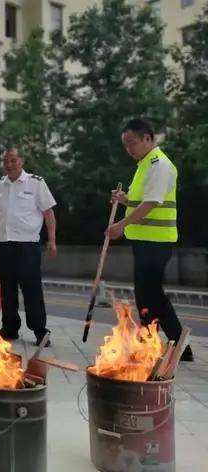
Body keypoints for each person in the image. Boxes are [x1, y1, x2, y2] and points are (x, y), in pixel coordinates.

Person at [106, 118, 193, 362]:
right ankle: (150, 343)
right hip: (145, 242)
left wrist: (121, 225)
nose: (129, 149)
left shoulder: (159, 164)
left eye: (132, 143)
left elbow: (152, 203)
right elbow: (141, 200)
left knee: (152, 294)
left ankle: (178, 346)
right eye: (126, 145)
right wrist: (124, 199)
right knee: (145, 295)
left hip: (156, 242)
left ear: (148, 139)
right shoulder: (145, 165)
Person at [0, 148, 57, 347]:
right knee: (7, 289)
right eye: (6, 161)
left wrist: (52, 240)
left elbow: (49, 214)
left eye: (13, 160)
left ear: (21, 161)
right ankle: (10, 328)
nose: (9, 165)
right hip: (4, 245)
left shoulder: (36, 183)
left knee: (31, 289)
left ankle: (40, 331)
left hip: (28, 246)